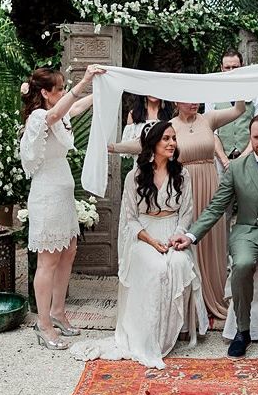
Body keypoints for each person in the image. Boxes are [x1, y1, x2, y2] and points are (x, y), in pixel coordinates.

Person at [171, 113, 258, 361]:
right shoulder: (236, 169)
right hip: (247, 232)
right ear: (250, 137)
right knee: (242, 265)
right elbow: (216, 207)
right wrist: (191, 235)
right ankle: (242, 332)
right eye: (256, 137)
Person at [71, 121, 207, 369]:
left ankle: (171, 333)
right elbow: (130, 219)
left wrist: (177, 236)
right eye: (166, 138)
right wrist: (151, 240)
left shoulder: (182, 174)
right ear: (153, 143)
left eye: (174, 138)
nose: (172, 143)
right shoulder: (135, 176)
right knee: (156, 268)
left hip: (173, 232)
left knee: (177, 263)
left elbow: (187, 213)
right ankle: (148, 338)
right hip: (143, 235)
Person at [110, 99, 245, 318]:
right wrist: (114, 147)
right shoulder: (170, 125)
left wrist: (236, 79)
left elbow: (240, 109)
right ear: (176, 101)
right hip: (182, 185)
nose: (194, 103)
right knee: (186, 243)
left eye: (196, 99)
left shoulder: (208, 119)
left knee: (211, 240)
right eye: (188, 99)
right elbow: (143, 143)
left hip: (208, 183)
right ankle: (187, 308)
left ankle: (213, 298)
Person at [19, 64, 105, 350]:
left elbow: (74, 108)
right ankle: (43, 324)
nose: (64, 92)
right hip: (46, 195)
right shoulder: (39, 117)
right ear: (45, 93)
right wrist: (84, 81)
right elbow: (58, 112)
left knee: (68, 252)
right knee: (48, 260)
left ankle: (58, 312)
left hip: (63, 193)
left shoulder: (56, 112)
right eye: (60, 88)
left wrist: (100, 90)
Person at [204, 48, 258, 166]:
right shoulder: (212, 94)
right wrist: (223, 159)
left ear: (242, 67)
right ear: (221, 68)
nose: (231, 71)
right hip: (220, 161)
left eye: (235, 67)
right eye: (227, 67)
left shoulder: (255, 93)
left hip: (250, 159)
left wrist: (244, 157)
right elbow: (211, 131)